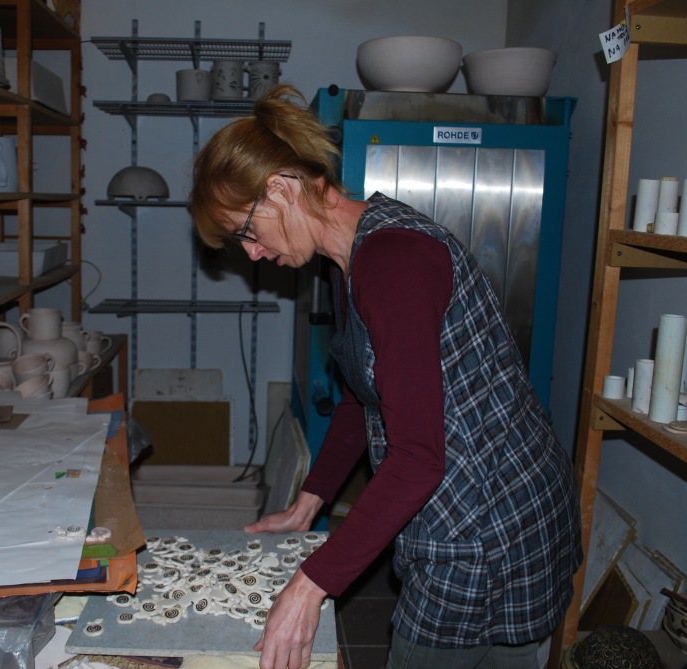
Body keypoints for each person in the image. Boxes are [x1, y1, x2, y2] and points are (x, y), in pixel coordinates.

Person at [190, 84, 582, 669]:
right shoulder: (347, 259)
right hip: (472, 506)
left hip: (496, 527)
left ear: (282, 189)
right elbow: (362, 396)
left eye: (246, 230)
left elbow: (418, 457)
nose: (250, 253)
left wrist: (310, 586)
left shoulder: (392, 263)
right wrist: (308, 504)